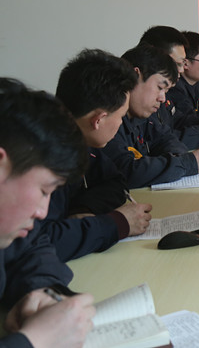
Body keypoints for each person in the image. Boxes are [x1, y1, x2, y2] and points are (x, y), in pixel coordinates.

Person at [0, 78, 95, 348]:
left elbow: (31, 246)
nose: (43, 212)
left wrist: (39, 290)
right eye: (44, 190)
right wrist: (37, 340)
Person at [41, 49, 153, 261]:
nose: (120, 124)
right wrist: (117, 223)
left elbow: (115, 181)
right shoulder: (42, 158)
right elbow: (42, 242)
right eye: (121, 116)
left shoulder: (80, 141)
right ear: (98, 120)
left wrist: (84, 209)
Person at [102, 44, 199, 188]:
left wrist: (178, 160)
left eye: (166, 91)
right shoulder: (108, 118)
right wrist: (187, 163)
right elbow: (126, 171)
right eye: (160, 88)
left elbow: (167, 139)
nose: (162, 98)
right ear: (135, 77)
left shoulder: (142, 115)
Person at [139, 26, 199, 148]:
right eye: (178, 63)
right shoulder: (168, 91)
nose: (181, 70)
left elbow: (178, 121)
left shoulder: (192, 85)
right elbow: (160, 142)